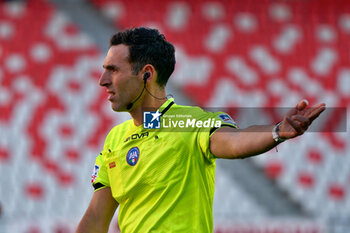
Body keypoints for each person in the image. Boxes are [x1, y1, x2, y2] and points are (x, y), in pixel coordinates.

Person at [76, 27, 325, 233]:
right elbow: (97, 216)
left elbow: (235, 142)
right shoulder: (116, 138)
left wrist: (276, 131)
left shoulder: (186, 122)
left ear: (146, 74)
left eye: (113, 70)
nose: (102, 80)